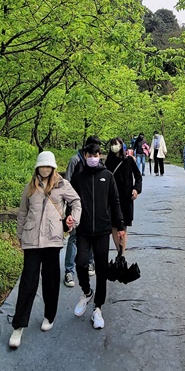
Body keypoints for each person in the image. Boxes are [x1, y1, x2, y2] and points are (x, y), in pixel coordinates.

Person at [10, 151, 81, 349]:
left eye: (48, 167)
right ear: (37, 167)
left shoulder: (62, 185)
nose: (45, 170)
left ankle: (49, 315)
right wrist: (20, 235)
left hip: (52, 239)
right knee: (28, 282)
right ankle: (18, 325)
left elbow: (76, 202)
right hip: (32, 240)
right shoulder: (30, 188)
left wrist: (72, 219)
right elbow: (22, 213)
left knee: (50, 280)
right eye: (42, 166)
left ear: (53, 168)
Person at [70, 135, 125, 330]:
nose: (93, 157)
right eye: (90, 154)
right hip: (84, 229)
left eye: (96, 154)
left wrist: (120, 227)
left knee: (102, 269)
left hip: (102, 229)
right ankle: (86, 292)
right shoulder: (78, 178)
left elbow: (115, 202)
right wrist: (68, 220)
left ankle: (98, 307)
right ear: (84, 155)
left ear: (100, 155)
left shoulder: (107, 176)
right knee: (80, 262)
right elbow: (71, 202)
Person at [105, 137, 142, 253]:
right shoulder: (108, 162)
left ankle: (122, 252)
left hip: (126, 197)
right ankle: (119, 250)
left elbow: (138, 176)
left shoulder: (129, 161)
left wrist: (136, 189)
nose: (114, 147)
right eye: (112, 144)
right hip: (112, 197)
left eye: (116, 144)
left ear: (121, 146)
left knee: (124, 225)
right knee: (114, 226)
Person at [62, 144, 85, 288]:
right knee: (74, 238)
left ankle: (89, 264)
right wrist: (69, 208)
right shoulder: (75, 160)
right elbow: (67, 183)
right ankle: (69, 271)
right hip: (74, 206)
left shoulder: (99, 166)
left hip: (90, 209)